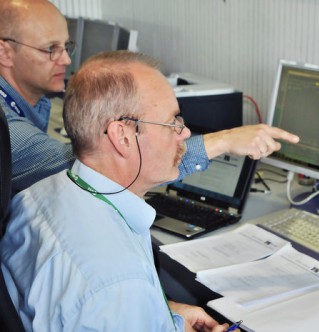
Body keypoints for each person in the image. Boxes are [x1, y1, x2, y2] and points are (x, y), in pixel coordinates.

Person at [1, 50, 298, 331]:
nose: (184, 134)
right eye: (173, 122)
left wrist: (164, 315)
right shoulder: (118, 283)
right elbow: (110, 297)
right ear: (123, 137)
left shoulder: (39, 193)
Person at [0, 0, 298, 194]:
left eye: (66, 46)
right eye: (50, 49)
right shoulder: (6, 127)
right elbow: (91, 171)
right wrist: (223, 140)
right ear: (5, 52)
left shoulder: (36, 101)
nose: (65, 60)